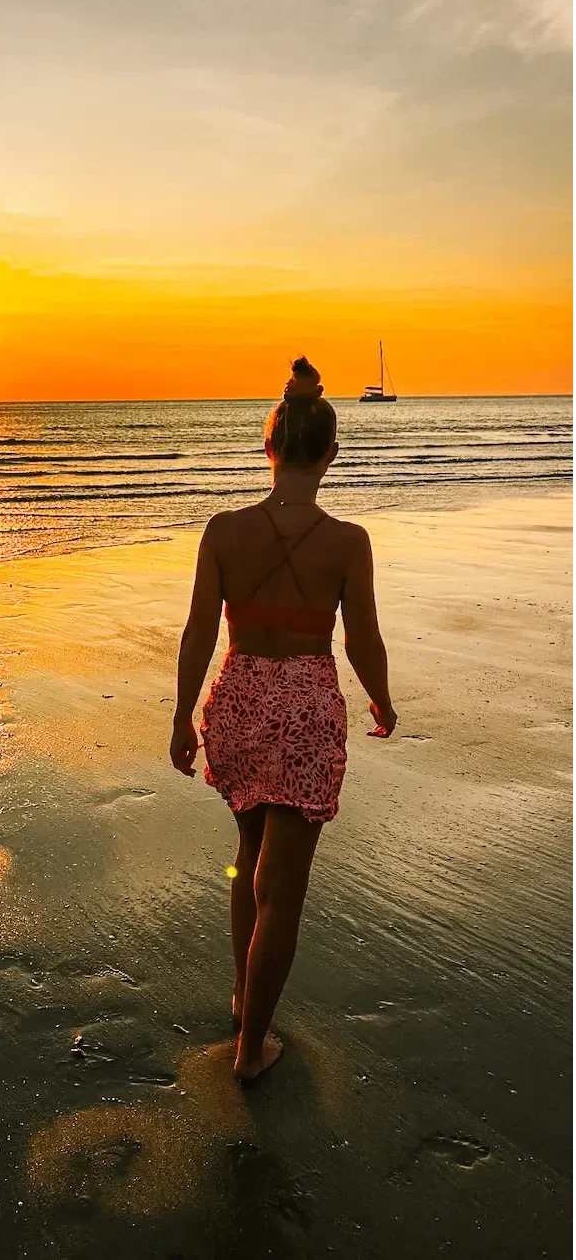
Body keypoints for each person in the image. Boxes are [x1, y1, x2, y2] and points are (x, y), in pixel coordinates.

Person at [169, 357, 398, 1081]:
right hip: (303, 707)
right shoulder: (348, 541)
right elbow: (360, 639)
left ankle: (244, 996)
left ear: (267, 446)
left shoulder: (223, 530)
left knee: (248, 856)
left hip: (237, 699)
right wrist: (382, 698)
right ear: (330, 452)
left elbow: (198, 633)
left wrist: (182, 717)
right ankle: (250, 1049)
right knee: (283, 889)